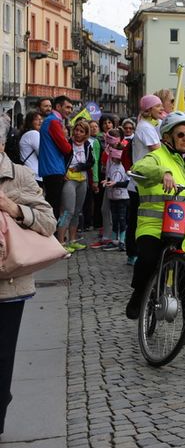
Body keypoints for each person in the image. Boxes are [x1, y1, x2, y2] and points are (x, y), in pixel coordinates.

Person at [125, 112, 185, 349]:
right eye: (181, 135)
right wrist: (163, 174)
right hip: (155, 227)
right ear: (168, 137)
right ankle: (139, 294)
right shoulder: (156, 157)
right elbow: (139, 169)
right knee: (148, 260)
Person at [0, 115, 56, 437]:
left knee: (2, 359)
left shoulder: (18, 176)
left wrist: (16, 209)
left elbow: (48, 223)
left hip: (8, 286)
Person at [125, 95, 164, 266]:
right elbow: (158, 151)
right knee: (138, 219)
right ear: (148, 110)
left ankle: (135, 252)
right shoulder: (145, 127)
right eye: (158, 106)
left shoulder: (148, 126)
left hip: (143, 181)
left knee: (137, 218)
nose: (161, 109)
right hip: (142, 182)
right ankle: (134, 252)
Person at [58, 120, 95, 250]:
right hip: (69, 179)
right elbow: (60, 158)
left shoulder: (88, 145)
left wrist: (80, 167)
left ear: (86, 134)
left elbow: (91, 162)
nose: (78, 133)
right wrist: (63, 172)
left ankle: (72, 239)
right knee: (68, 211)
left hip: (82, 180)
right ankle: (61, 241)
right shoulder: (68, 143)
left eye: (81, 131)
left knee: (77, 211)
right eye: (76, 130)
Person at [38, 95, 74, 221]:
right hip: (54, 168)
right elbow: (66, 148)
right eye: (67, 107)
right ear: (58, 107)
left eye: (71, 108)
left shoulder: (50, 120)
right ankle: (51, 237)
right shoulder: (53, 121)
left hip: (51, 168)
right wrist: (67, 140)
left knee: (52, 204)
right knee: (54, 206)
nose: (70, 110)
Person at [100, 129, 130, 251]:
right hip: (113, 196)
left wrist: (116, 183)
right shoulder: (110, 164)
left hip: (123, 197)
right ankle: (114, 240)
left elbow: (127, 182)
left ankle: (122, 240)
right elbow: (109, 175)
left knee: (122, 219)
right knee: (115, 218)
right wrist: (106, 181)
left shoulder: (125, 167)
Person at [18, 111, 42, 183]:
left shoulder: (26, 134)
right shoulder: (33, 133)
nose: (40, 121)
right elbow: (42, 153)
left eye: (40, 119)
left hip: (28, 172)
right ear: (30, 122)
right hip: (34, 174)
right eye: (36, 119)